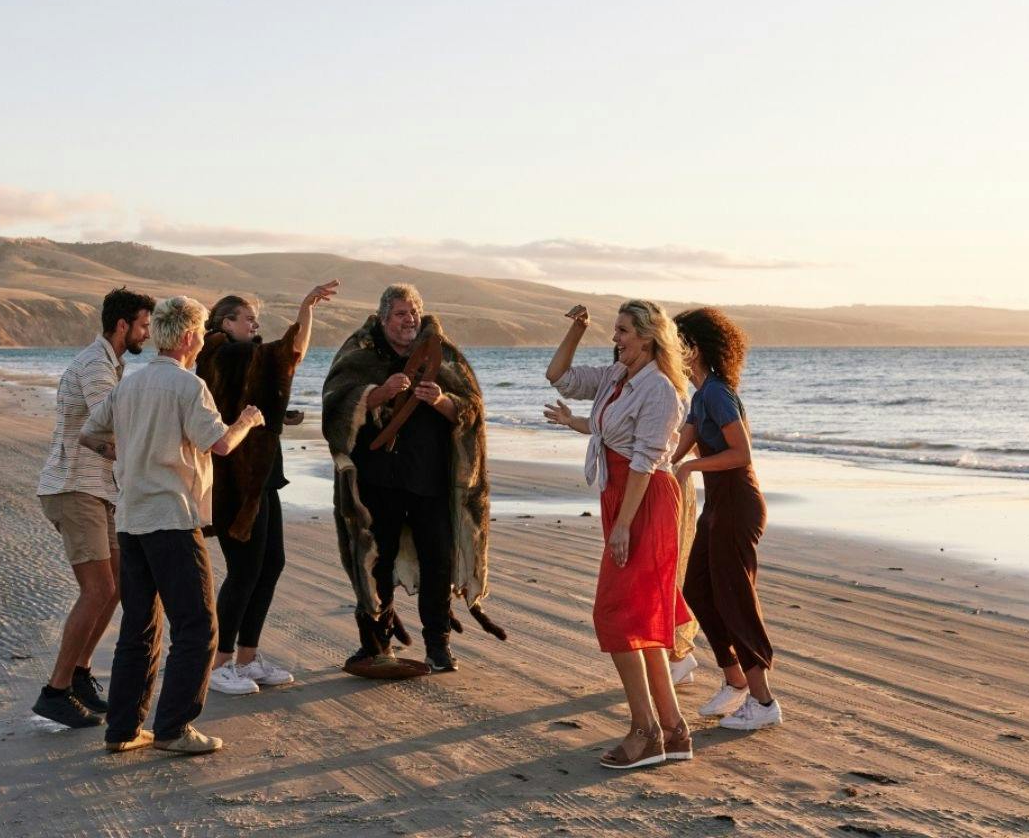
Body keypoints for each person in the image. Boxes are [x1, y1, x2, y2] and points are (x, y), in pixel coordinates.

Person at [79, 296, 264, 756]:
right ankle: (174, 727)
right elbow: (219, 445)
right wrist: (246, 420)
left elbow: (89, 433)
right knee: (197, 626)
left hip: (133, 517)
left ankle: (122, 729)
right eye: (201, 333)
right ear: (186, 337)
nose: (203, 341)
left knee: (139, 627)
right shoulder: (187, 385)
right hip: (171, 519)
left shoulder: (130, 386)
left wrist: (125, 454)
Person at [322, 284, 503, 675]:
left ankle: (438, 646)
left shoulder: (444, 353)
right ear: (384, 317)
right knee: (375, 559)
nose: (410, 320)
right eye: (402, 313)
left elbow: (471, 411)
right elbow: (335, 405)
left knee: (439, 560)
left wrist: (439, 400)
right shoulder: (361, 352)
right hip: (376, 479)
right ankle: (376, 643)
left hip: (431, 478)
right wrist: (378, 393)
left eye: (415, 312)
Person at [544, 300, 695, 769]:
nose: (617, 339)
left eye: (624, 331)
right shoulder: (617, 377)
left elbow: (646, 461)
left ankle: (645, 730)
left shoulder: (663, 391)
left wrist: (625, 525)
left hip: (645, 501)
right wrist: (577, 329)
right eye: (614, 331)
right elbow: (559, 376)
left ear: (649, 336)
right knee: (639, 615)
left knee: (615, 614)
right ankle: (672, 729)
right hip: (620, 497)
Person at [199, 279, 339, 696]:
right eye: (249, 319)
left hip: (260, 473)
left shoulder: (236, 354)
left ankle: (246, 658)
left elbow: (285, 358)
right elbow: (286, 355)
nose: (255, 326)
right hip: (234, 477)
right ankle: (220, 663)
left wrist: (305, 314)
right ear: (226, 322)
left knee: (270, 562)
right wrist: (304, 310)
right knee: (244, 569)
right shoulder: (220, 353)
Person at [31, 287, 155, 729]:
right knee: (98, 589)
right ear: (122, 325)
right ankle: (55, 690)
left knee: (117, 584)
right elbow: (112, 426)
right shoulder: (95, 367)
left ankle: (80, 675)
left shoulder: (111, 364)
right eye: (143, 325)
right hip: (73, 486)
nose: (147, 333)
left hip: (99, 489)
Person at [670, 306, 781, 731]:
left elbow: (741, 453)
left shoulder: (716, 392)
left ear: (693, 349)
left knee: (734, 598)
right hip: (719, 506)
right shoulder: (700, 397)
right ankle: (735, 681)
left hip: (738, 503)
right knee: (698, 590)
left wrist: (689, 469)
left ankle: (764, 701)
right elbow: (677, 447)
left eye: (675, 345)